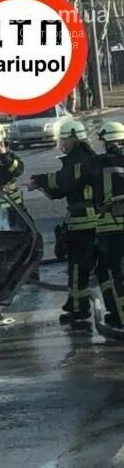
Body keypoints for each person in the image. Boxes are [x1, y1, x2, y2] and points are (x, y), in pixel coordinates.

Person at [28, 120, 102, 323]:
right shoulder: (84, 158)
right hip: (88, 221)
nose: (63, 143)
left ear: (75, 139)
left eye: (65, 139)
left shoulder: (80, 161)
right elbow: (59, 191)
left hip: (85, 223)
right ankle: (75, 303)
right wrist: (42, 185)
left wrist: (41, 180)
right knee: (85, 266)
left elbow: (63, 181)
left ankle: (79, 308)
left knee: (79, 266)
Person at [91, 121, 124, 328]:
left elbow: (71, 180)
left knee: (115, 272)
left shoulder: (97, 164)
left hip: (110, 226)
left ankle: (120, 316)